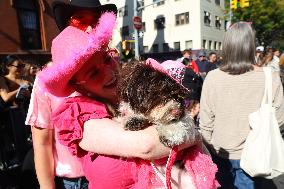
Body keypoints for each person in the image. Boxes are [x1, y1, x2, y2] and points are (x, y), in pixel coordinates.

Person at [37, 9, 207, 189]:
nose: (109, 72)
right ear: (79, 85)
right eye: (94, 73)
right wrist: (193, 134)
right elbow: (146, 146)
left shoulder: (136, 91)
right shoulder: (79, 117)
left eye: (107, 59)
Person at [25, 1, 117, 189]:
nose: (90, 27)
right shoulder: (48, 79)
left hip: (117, 171)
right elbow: (42, 143)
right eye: (81, 20)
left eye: (96, 20)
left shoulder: (111, 63)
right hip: (76, 181)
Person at [199, 22, 284, 189]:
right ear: (251, 45)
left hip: (220, 153)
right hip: (256, 156)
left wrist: (213, 146)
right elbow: (279, 120)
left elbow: (205, 123)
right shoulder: (270, 76)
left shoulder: (212, 77)